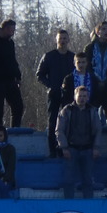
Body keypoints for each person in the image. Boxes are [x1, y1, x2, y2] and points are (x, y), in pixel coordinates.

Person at [37, 30, 76, 158]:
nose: (62, 41)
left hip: (69, 95)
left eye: (65, 38)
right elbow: (40, 75)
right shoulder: (49, 56)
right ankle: (52, 150)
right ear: (56, 40)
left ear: (68, 40)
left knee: (68, 122)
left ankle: (66, 148)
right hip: (54, 93)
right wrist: (51, 85)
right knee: (53, 121)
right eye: (60, 38)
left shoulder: (72, 57)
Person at [57, 84, 100, 199]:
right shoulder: (67, 110)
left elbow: (98, 130)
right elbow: (59, 130)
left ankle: (88, 204)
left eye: (84, 96)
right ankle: (69, 203)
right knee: (68, 180)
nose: (82, 98)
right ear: (75, 96)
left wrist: (96, 147)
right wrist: (64, 147)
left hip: (88, 149)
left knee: (88, 180)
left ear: (88, 97)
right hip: (71, 149)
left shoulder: (92, 111)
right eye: (80, 96)